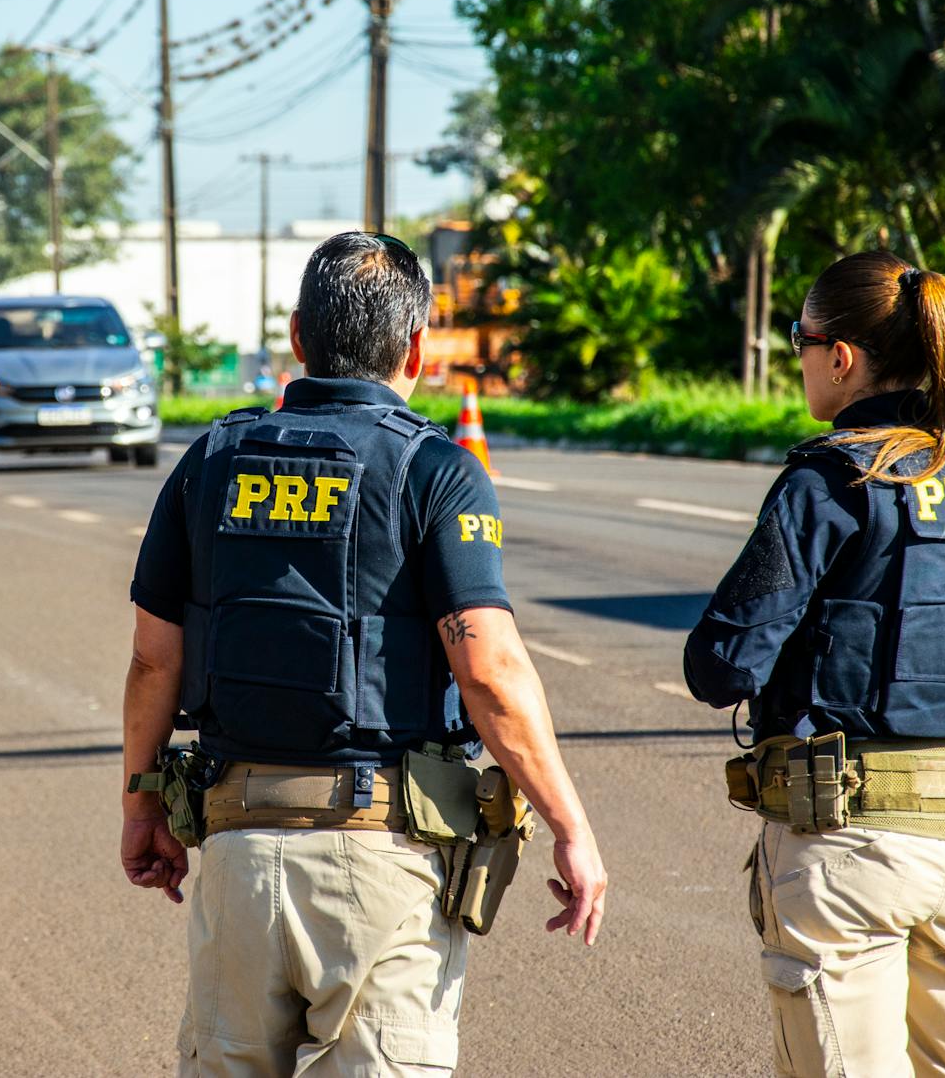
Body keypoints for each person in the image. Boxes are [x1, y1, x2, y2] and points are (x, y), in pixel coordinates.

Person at [122, 231, 606, 1077]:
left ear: (299, 339)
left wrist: (140, 805)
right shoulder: (438, 470)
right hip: (377, 864)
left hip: (235, 855)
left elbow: (154, 662)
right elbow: (487, 669)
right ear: (416, 346)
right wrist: (569, 823)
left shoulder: (210, 460)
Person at [683, 250, 945, 1078]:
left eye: (801, 340)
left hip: (847, 847)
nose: (802, 359)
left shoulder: (832, 477)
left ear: (840, 355)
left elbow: (724, 664)